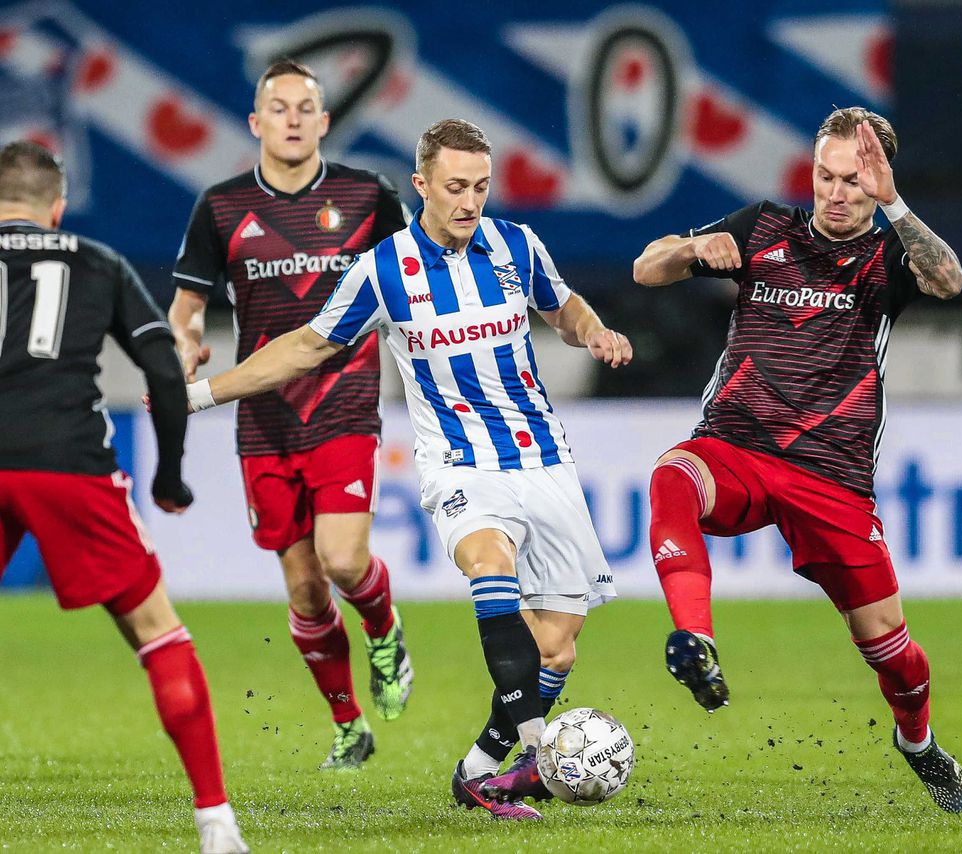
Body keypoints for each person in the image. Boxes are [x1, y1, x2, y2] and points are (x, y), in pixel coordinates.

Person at [183, 118, 631, 820]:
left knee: (558, 648)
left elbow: (562, 306)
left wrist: (594, 330)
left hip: (544, 456)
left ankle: (479, 772)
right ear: (421, 184)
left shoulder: (518, 245)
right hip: (457, 461)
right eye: (456, 186)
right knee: (490, 563)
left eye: (481, 186)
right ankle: (542, 746)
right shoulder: (383, 268)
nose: (470, 200)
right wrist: (202, 394)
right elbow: (305, 346)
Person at [632, 108, 962, 815]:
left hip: (833, 476)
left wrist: (897, 205)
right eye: (826, 175)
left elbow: (949, 281)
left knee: (894, 653)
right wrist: (698, 252)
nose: (837, 191)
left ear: (878, 181)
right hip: (738, 448)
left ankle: (918, 744)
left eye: (854, 179)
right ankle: (695, 639)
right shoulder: (763, 228)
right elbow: (647, 266)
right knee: (671, 474)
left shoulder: (886, 259)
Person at [0, 141, 248, 853]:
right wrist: (168, 477)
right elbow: (165, 377)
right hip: (66, 462)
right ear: (56, 206)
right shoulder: (95, 261)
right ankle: (215, 824)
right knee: (156, 631)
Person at [168, 60, 413, 769]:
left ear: (326, 120)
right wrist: (183, 345)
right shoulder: (219, 207)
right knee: (305, 587)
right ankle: (348, 725)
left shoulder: (369, 197)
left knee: (342, 559)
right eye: (279, 107)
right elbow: (186, 310)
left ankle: (384, 627)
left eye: (307, 106)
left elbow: (414, 282)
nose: (294, 117)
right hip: (262, 418)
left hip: (345, 403)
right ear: (256, 123)